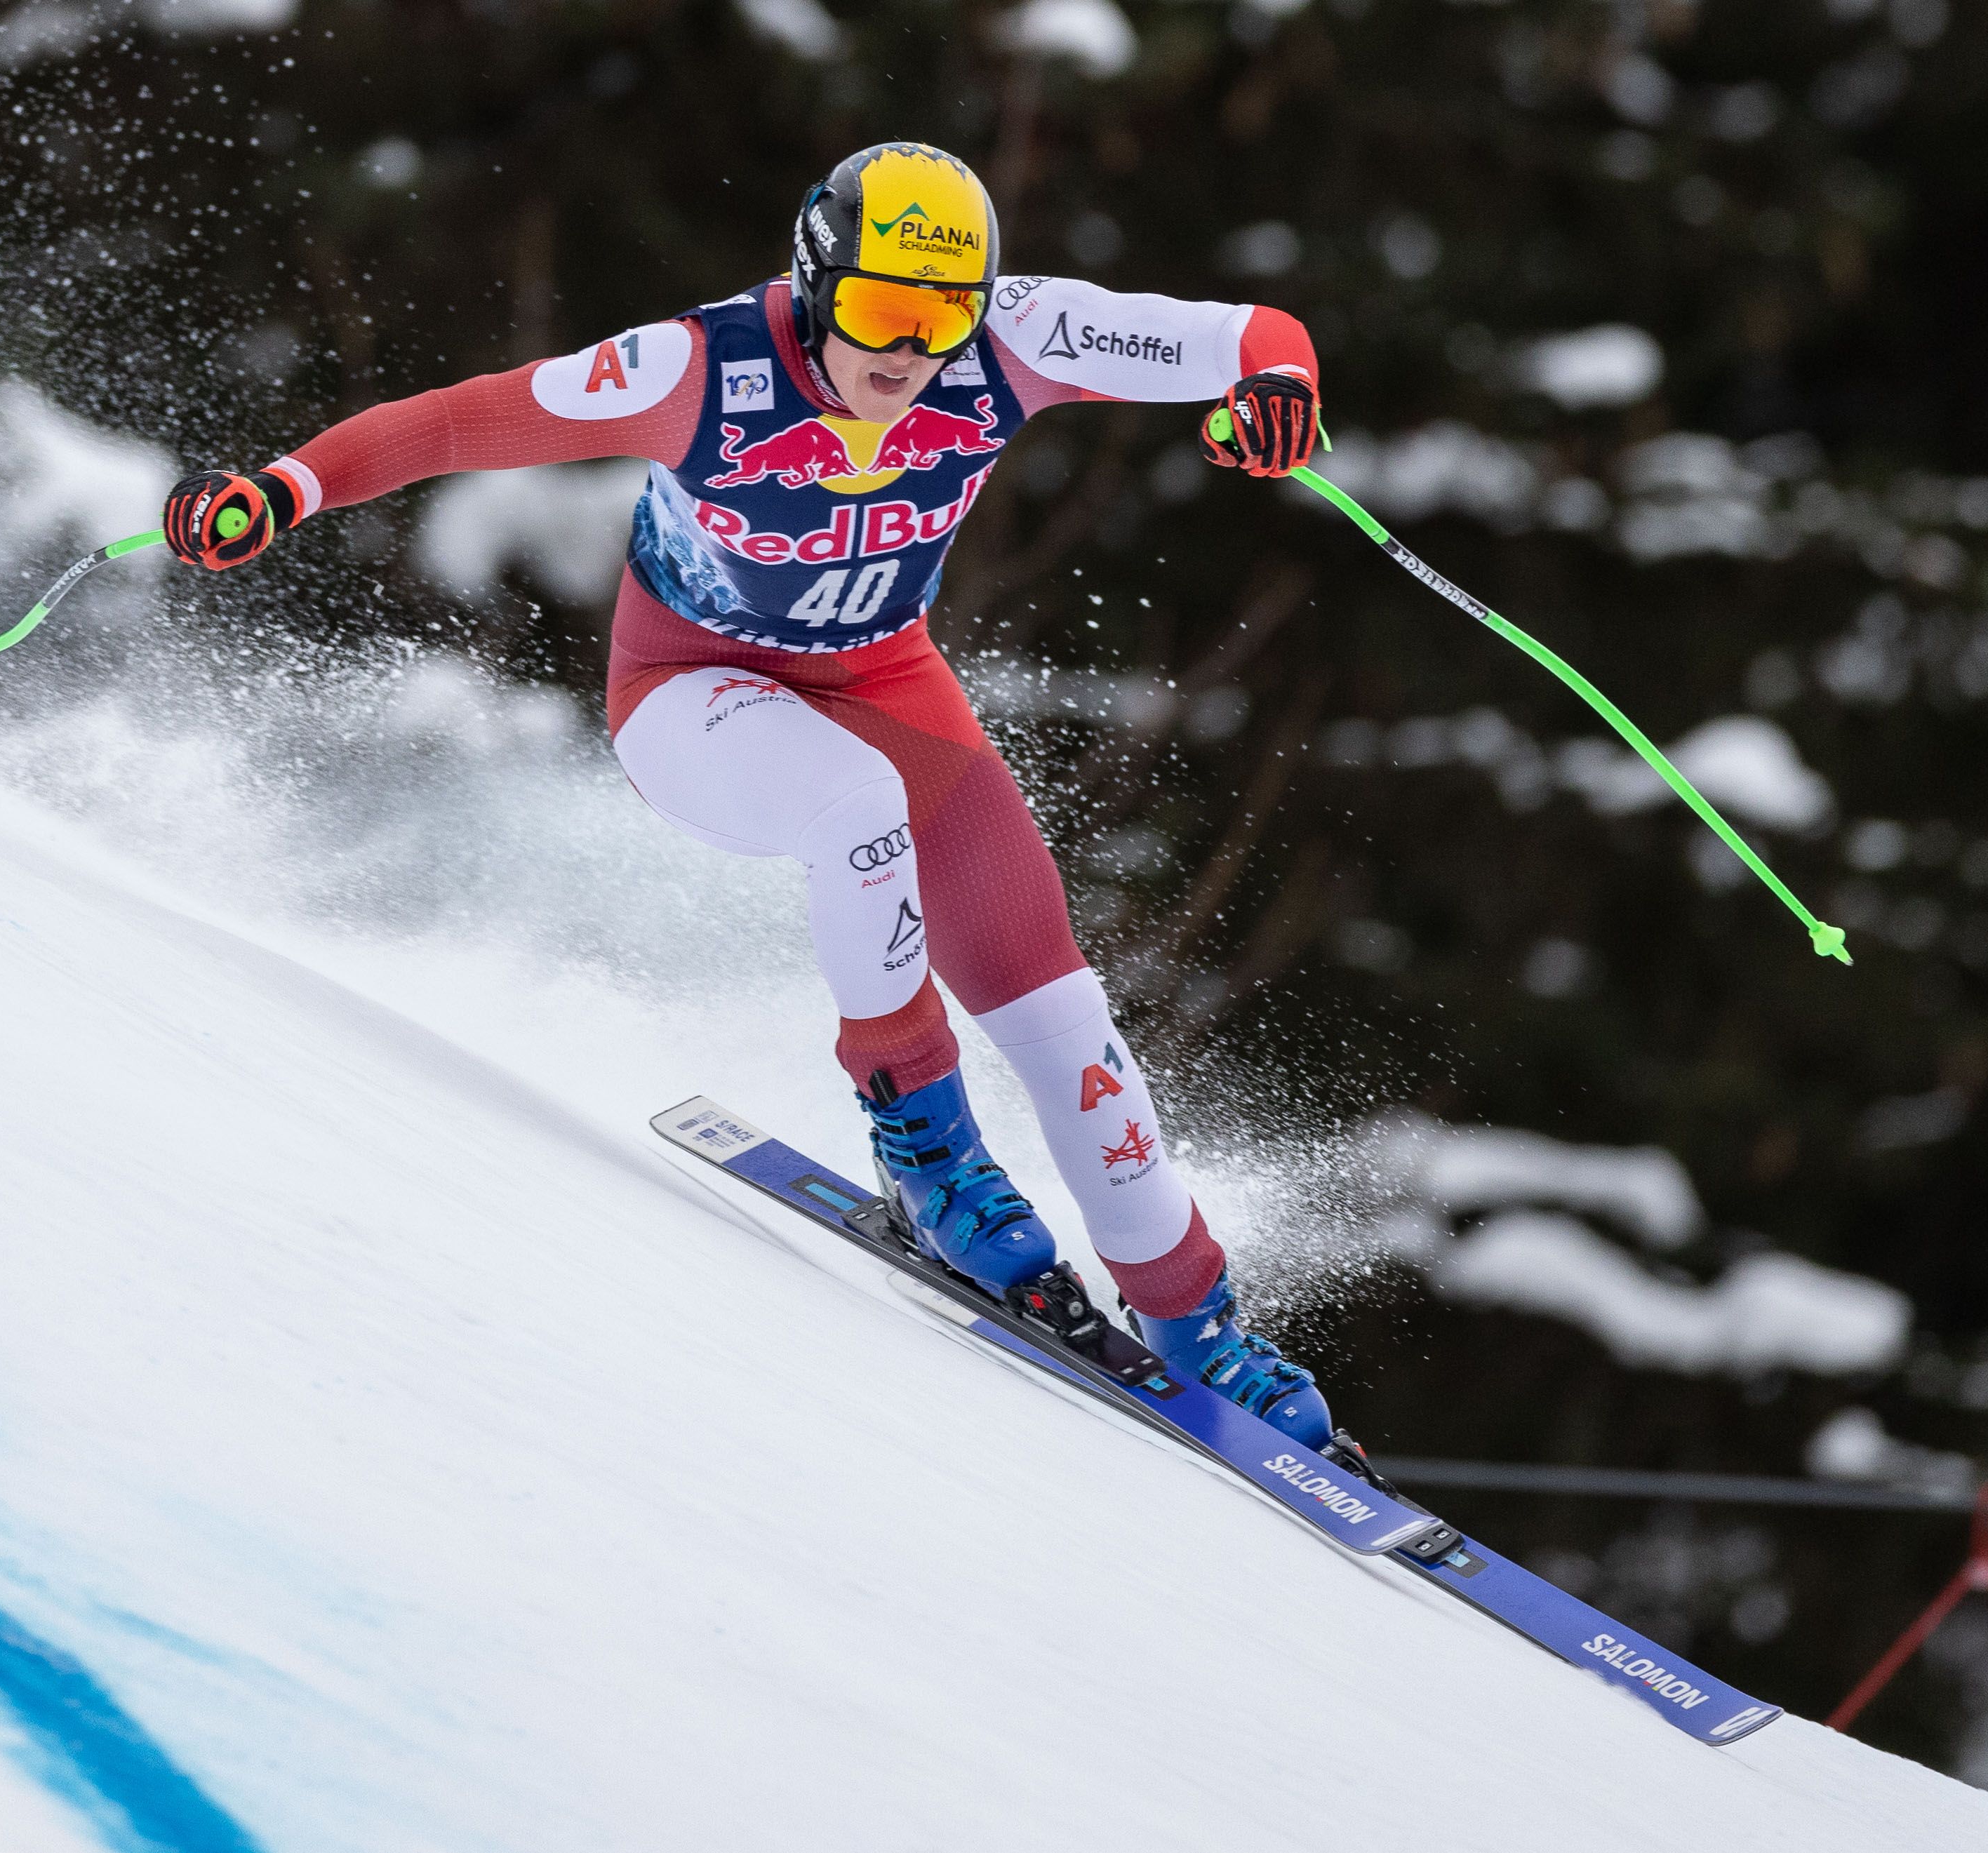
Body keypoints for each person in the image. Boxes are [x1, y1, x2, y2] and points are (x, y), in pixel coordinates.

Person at [165, 142, 1336, 1445]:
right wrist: (287, 487)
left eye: (943, 316)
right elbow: (460, 421)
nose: (911, 352)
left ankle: (1197, 1322)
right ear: (815, 281)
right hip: (691, 694)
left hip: (886, 679)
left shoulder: (1014, 339)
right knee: (857, 806)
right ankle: (929, 1152)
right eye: (880, 310)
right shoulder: (701, 371)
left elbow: (1248, 336)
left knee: (1057, 1005)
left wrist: (1277, 389)